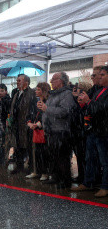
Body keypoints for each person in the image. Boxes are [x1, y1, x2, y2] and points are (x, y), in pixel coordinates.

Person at [38, 72, 75, 189]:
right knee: (53, 156)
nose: (51, 81)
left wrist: (46, 108)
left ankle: (65, 180)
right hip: (51, 130)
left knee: (62, 157)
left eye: (54, 79)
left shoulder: (67, 94)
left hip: (61, 131)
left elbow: (64, 111)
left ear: (61, 81)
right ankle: (55, 177)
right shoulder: (53, 94)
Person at [75, 66, 108, 197]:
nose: (99, 77)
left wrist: (88, 102)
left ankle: (105, 186)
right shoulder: (97, 89)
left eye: (102, 75)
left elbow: (103, 108)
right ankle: (89, 182)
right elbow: (92, 107)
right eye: (97, 75)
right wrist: (83, 103)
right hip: (93, 130)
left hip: (104, 131)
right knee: (90, 159)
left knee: (105, 161)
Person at [8, 74, 37, 174]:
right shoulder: (16, 93)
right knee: (18, 146)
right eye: (17, 80)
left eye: (19, 81)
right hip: (16, 125)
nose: (17, 82)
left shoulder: (32, 93)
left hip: (26, 124)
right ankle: (19, 166)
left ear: (26, 82)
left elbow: (33, 109)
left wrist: (30, 121)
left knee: (29, 147)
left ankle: (31, 168)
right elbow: (13, 108)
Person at [26, 82, 51, 181]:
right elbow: (29, 114)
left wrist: (38, 124)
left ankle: (44, 172)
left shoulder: (48, 101)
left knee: (44, 152)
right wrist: (29, 123)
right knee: (35, 152)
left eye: (38, 90)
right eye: (36, 89)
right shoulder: (34, 101)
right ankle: (36, 171)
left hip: (44, 130)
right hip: (35, 130)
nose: (36, 91)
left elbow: (46, 116)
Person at [0, 84, 11, 164]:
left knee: (5, 142)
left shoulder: (8, 99)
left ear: (6, 91)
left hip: (5, 123)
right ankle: (1, 157)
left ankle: (3, 158)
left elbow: (6, 110)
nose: (0, 93)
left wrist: (1, 102)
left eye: (2, 91)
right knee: (0, 141)